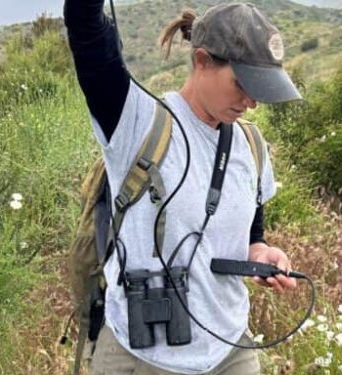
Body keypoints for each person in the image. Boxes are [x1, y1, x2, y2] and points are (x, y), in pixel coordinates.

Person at [63, 1, 302, 374]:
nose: (251, 102)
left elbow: (252, 231)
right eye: (242, 84)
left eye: (259, 89)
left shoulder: (251, 146)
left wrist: (260, 253)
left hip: (230, 351)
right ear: (202, 60)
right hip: (139, 354)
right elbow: (87, 30)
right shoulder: (134, 122)